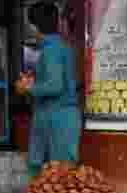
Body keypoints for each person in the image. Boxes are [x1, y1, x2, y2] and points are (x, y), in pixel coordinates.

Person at [17, 2, 80, 178]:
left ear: (33, 26)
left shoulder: (51, 51)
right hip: (61, 118)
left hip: (56, 119)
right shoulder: (62, 48)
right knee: (59, 182)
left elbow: (55, 85)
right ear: (57, 22)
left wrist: (28, 87)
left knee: (54, 181)